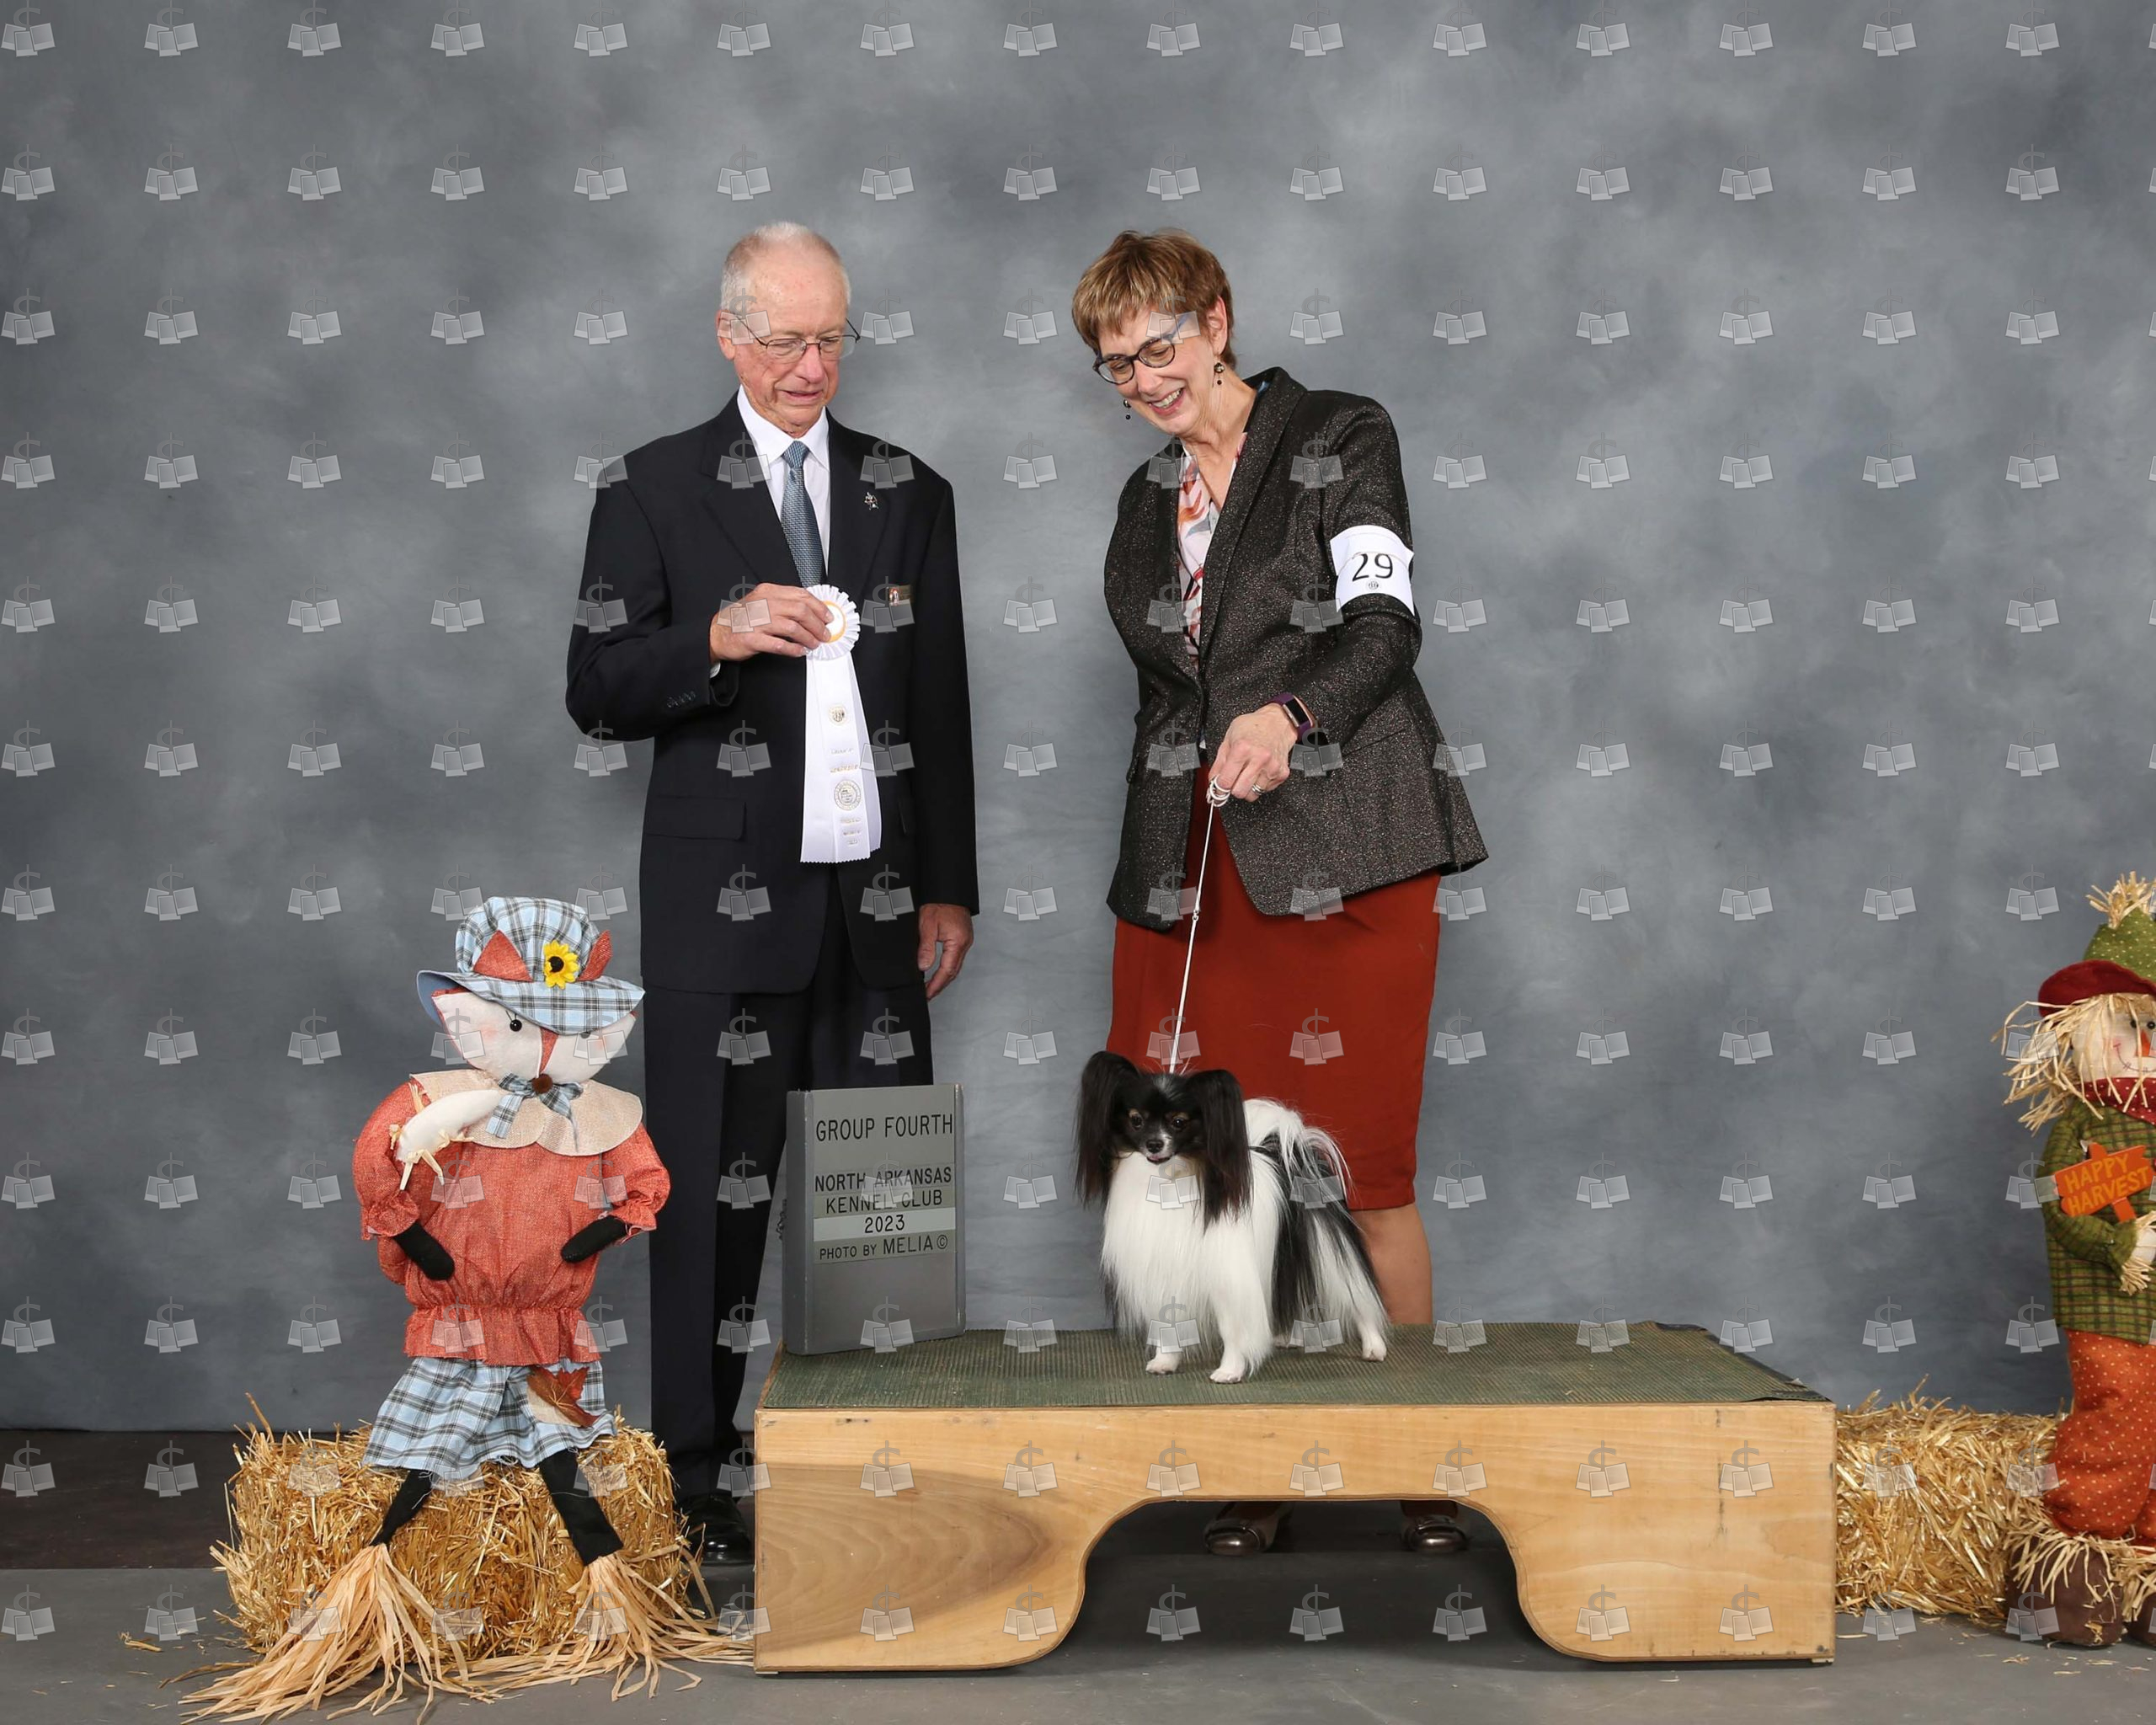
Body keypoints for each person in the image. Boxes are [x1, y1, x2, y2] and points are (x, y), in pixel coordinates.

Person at [564, 222, 979, 1564]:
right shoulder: (649, 487)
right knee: (707, 1216)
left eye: (833, 339)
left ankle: (874, 1477)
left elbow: (939, 702)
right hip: (720, 920)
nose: (813, 366)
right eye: (788, 340)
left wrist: (948, 887)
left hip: (876, 914)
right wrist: (716, 636)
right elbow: (595, 688)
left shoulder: (911, 488)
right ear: (729, 337)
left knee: (879, 1212)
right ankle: (691, 1491)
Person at [1071, 228, 1490, 1556]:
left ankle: (1419, 1465)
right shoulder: (1144, 501)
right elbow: (1165, 697)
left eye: (1162, 345)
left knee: (1359, 1170)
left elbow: (1384, 628)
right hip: (1195, 874)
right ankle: (1251, 1466)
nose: (1146, 378)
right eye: (1117, 364)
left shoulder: (1338, 434)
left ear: (1218, 320)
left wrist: (1290, 714)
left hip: (1345, 858)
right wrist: (1152, 866)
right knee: (1199, 1174)